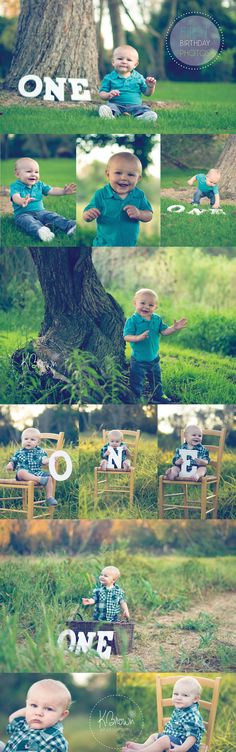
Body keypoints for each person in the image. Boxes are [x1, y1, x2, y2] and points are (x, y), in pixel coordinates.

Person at [123, 288, 187, 402]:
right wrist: (137, 338)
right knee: (137, 381)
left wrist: (174, 328)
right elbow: (126, 336)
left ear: (155, 307)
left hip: (154, 359)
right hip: (138, 360)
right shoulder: (132, 321)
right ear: (135, 303)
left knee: (156, 380)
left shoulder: (157, 319)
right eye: (142, 303)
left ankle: (158, 395)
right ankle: (136, 398)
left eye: (150, 305)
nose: (146, 307)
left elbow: (164, 331)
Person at [82, 151, 153, 247]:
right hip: (103, 246)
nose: (124, 177)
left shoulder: (139, 195)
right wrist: (88, 215)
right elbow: (86, 214)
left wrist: (139, 214)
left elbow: (149, 215)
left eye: (131, 175)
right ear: (108, 175)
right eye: (118, 173)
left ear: (138, 178)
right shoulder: (101, 194)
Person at [123, 676, 205, 752]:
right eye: (176, 694)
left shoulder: (192, 715)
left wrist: (182, 749)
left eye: (185, 695)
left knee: (164, 740)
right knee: (154, 736)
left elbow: (192, 737)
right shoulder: (182, 708)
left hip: (187, 746)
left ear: (195, 699)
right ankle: (143, 747)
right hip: (175, 739)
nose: (178, 697)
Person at [10, 157, 76, 241]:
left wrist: (64, 191)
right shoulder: (15, 186)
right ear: (17, 174)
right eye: (29, 171)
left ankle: (71, 226)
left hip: (41, 212)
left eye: (36, 172)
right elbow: (15, 197)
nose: (33, 174)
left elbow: (52, 190)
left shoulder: (39, 184)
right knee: (28, 222)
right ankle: (41, 231)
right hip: (23, 214)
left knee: (53, 216)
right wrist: (22, 201)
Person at [1, 678, 71, 752]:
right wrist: (29, 710)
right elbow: (11, 719)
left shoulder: (57, 741)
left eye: (49, 709)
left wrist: (33, 708)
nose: (38, 713)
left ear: (62, 715)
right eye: (34, 705)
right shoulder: (23, 725)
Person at [99, 44, 157, 121]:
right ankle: (110, 116)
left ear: (135, 64)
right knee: (106, 107)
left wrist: (150, 87)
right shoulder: (109, 78)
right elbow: (102, 94)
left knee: (146, 109)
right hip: (116, 106)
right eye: (120, 59)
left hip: (135, 106)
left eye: (129, 60)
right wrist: (108, 95)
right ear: (113, 62)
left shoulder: (138, 77)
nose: (124, 62)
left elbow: (147, 93)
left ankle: (140, 118)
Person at [6, 427, 57, 506]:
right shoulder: (19, 452)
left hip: (37, 472)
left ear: (38, 442)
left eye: (32, 440)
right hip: (24, 474)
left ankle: (49, 497)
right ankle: (39, 480)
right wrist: (10, 465)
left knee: (49, 478)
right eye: (26, 439)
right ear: (22, 440)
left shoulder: (40, 452)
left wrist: (50, 459)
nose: (28, 441)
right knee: (21, 472)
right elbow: (13, 461)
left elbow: (44, 460)